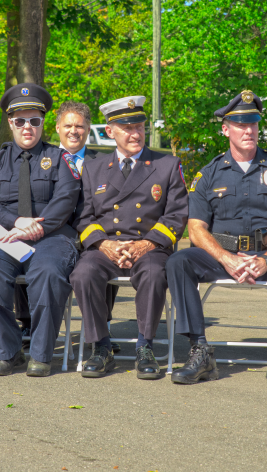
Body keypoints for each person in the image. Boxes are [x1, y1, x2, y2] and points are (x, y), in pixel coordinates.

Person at [165, 90, 267, 386]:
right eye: (240, 124)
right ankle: (200, 351)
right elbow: (196, 229)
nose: (248, 130)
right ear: (225, 129)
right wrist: (226, 259)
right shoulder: (209, 174)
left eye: (253, 123)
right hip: (223, 257)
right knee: (179, 262)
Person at [69, 95, 188, 380]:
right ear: (110, 132)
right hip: (106, 246)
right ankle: (101, 345)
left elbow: (176, 215)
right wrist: (104, 244)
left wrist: (145, 244)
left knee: (154, 274)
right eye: (127, 128)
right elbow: (83, 216)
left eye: (140, 127)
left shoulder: (166, 164)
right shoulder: (94, 167)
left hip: (149, 246)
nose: (135, 133)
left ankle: (145, 345)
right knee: (82, 274)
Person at [0, 83, 81, 377]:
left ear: (44, 123)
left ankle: (42, 355)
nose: (27, 127)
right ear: (10, 123)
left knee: (47, 272)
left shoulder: (60, 159)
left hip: (51, 236)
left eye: (34, 120)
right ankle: (8, 351)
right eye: (20, 121)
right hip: (2, 235)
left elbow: (67, 199)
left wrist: (34, 229)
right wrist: (15, 222)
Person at [13, 101, 106, 346]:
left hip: (89, 231)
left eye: (80, 126)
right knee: (24, 250)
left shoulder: (104, 163)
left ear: (88, 129)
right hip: (50, 232)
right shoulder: (40, 157)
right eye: (68, 125)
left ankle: (101, 328)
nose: (73, 131)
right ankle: (29, 322)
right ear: (57, 128)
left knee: (103, 251)